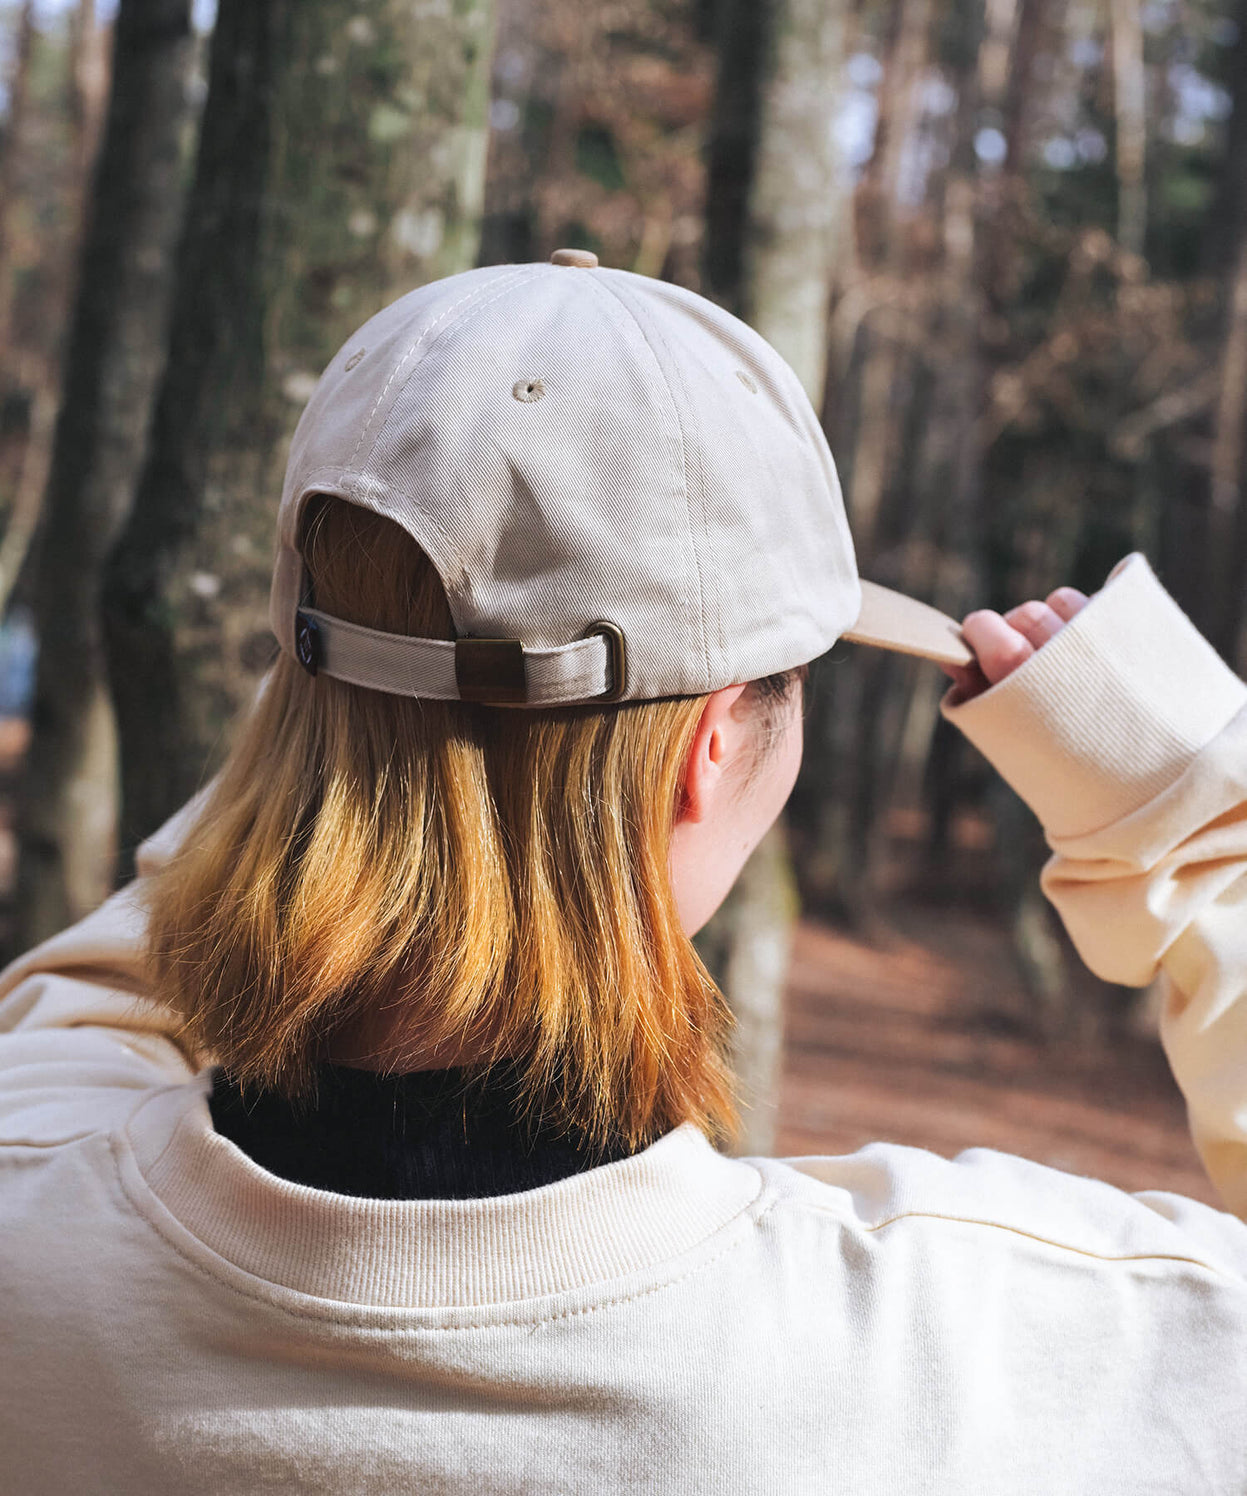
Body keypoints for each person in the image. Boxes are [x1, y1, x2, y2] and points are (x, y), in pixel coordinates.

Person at [1, 251, 1244, 1494]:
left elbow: (96, 987)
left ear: (299, 696)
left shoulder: (31, 1221)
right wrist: (1189, 808)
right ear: (705, 753)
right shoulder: (973, 1345)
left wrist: (368, 706)